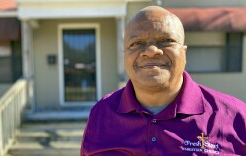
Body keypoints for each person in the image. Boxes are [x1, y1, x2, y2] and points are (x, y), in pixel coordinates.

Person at [81, 6, 246, 155]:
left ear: (184, 52)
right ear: (124, 54)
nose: (151, 51)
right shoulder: (102, 113)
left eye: (166, 41)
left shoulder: (236, 117)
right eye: (136, 43)